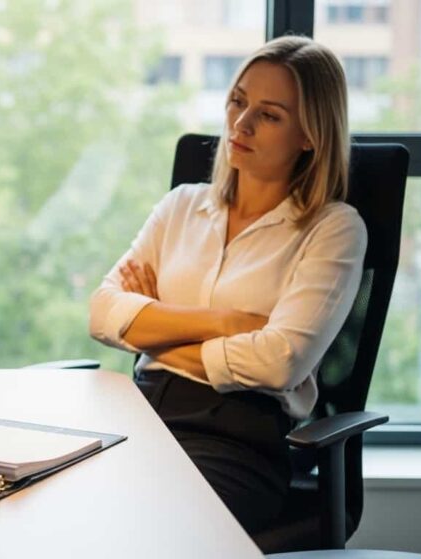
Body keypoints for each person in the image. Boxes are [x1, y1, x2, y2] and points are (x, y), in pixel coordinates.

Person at [89, 35, 365, 535]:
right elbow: (103, 313)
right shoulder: (181, 206)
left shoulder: (332, 229)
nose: (241, 124)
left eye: (269, 115)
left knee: (143, 530)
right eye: (238, 101)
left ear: (310, 135)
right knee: (51, 510)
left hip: (236, 441)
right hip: (138, 417)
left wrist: (153, 330)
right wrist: (227, 322)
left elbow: (279, 363)